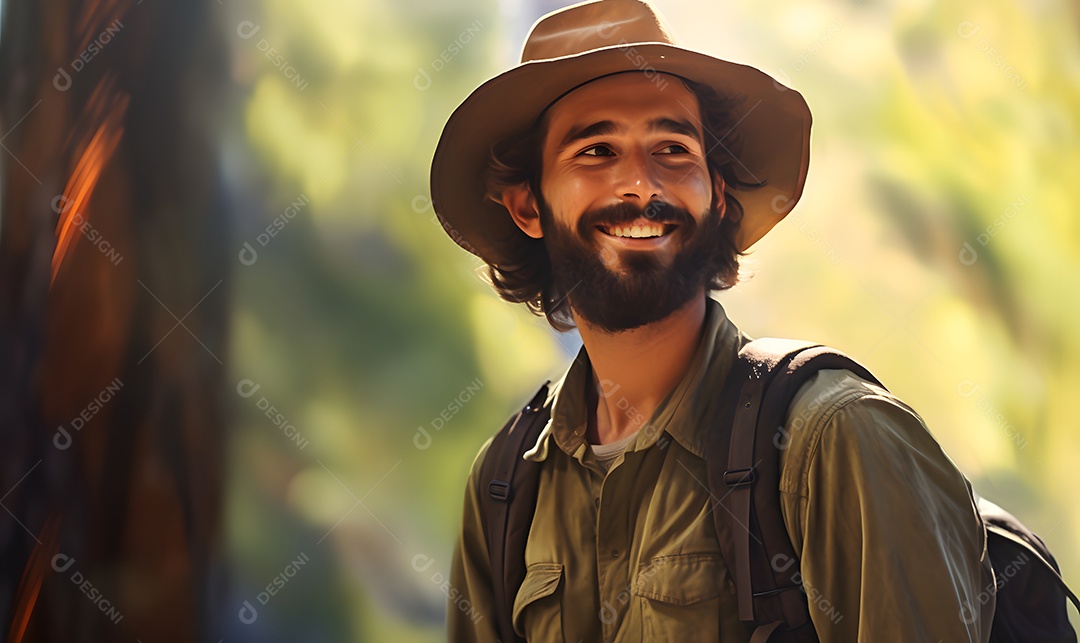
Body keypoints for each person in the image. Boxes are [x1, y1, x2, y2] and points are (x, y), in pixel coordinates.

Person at [429, 1, 996, 641]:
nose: (640, 184)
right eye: (596, 150)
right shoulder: (506, 486)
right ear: (528, 205)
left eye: (673, 148)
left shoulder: (832, 439)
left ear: (717, 195)